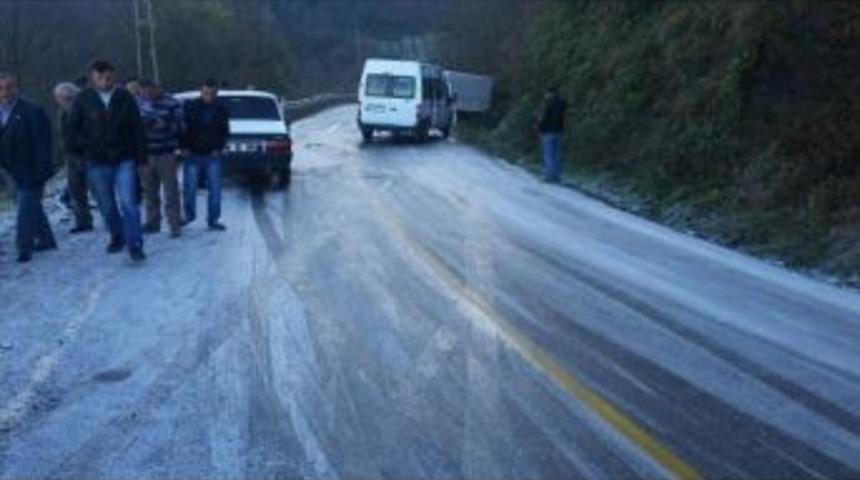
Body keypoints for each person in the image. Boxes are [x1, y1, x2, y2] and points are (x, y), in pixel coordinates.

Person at [69, 60, 146, 262]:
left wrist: (141, 157)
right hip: (95, 161)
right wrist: (80, 153)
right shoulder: (83, 99)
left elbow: (137, 128)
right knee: (106, 205)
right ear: (93, 78)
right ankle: (117, 234)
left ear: (114, 76)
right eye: (100, 77)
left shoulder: (125, 97)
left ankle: (135, 244)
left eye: (108, 77)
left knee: (129, 203)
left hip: (124, 159)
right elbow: (71, 130)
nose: (104, 81)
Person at [0, 71, 57, 263]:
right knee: (31, 205)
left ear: (16, 88)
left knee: (24, 208)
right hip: (9, 170)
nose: (5, 92)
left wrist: (43, 172)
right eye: (1, 89)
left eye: (9, 87)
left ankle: (23, 247)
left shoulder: (32, 110)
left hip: (31, 168)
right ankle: (47, 239)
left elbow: (43, 142)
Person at [138, 78, 183, 238]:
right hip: (145, 154)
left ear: (157, 88)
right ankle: (152, 223)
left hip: (166, 153)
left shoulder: (172, 103)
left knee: (171, 191)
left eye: (150, 90)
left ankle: (175, 225)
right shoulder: (138, 104)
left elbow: (181, 126)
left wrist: (165, 123)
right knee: (149, 192)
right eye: (143, 91)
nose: (147, 94)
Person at [181, 78, 229, 231]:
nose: (209, 95)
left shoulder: (222, 109)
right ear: (201, 91)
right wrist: (183, 147)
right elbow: (182, 129)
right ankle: (189, 215)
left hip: (212, 155)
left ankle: (213, 220)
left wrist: (219, 148)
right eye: (206, 92)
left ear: (217, 93)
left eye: (213, 93)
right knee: (190, 188)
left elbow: (225, 132)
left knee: (215, 190)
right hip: (192, 154)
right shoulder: (190, 106)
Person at [54, 81, 93, 234]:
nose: (59, 101)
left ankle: (110, 217)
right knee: (75, 189)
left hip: (86, 154)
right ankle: (83, 221)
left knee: (97, 189)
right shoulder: (61, 112)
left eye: (61, 98)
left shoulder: (85, 110)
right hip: (71, 155)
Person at [538, 86, 567, 183]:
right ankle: (556, 175)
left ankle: (548, 175)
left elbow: (545, 118)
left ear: (550, 93)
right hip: (559, 130)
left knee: (548, 154)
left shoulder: (549, 104)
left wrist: (541, 128)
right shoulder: (562, 103)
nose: (545, 96)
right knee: (556, 154)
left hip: (548, 131)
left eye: (546, 94)